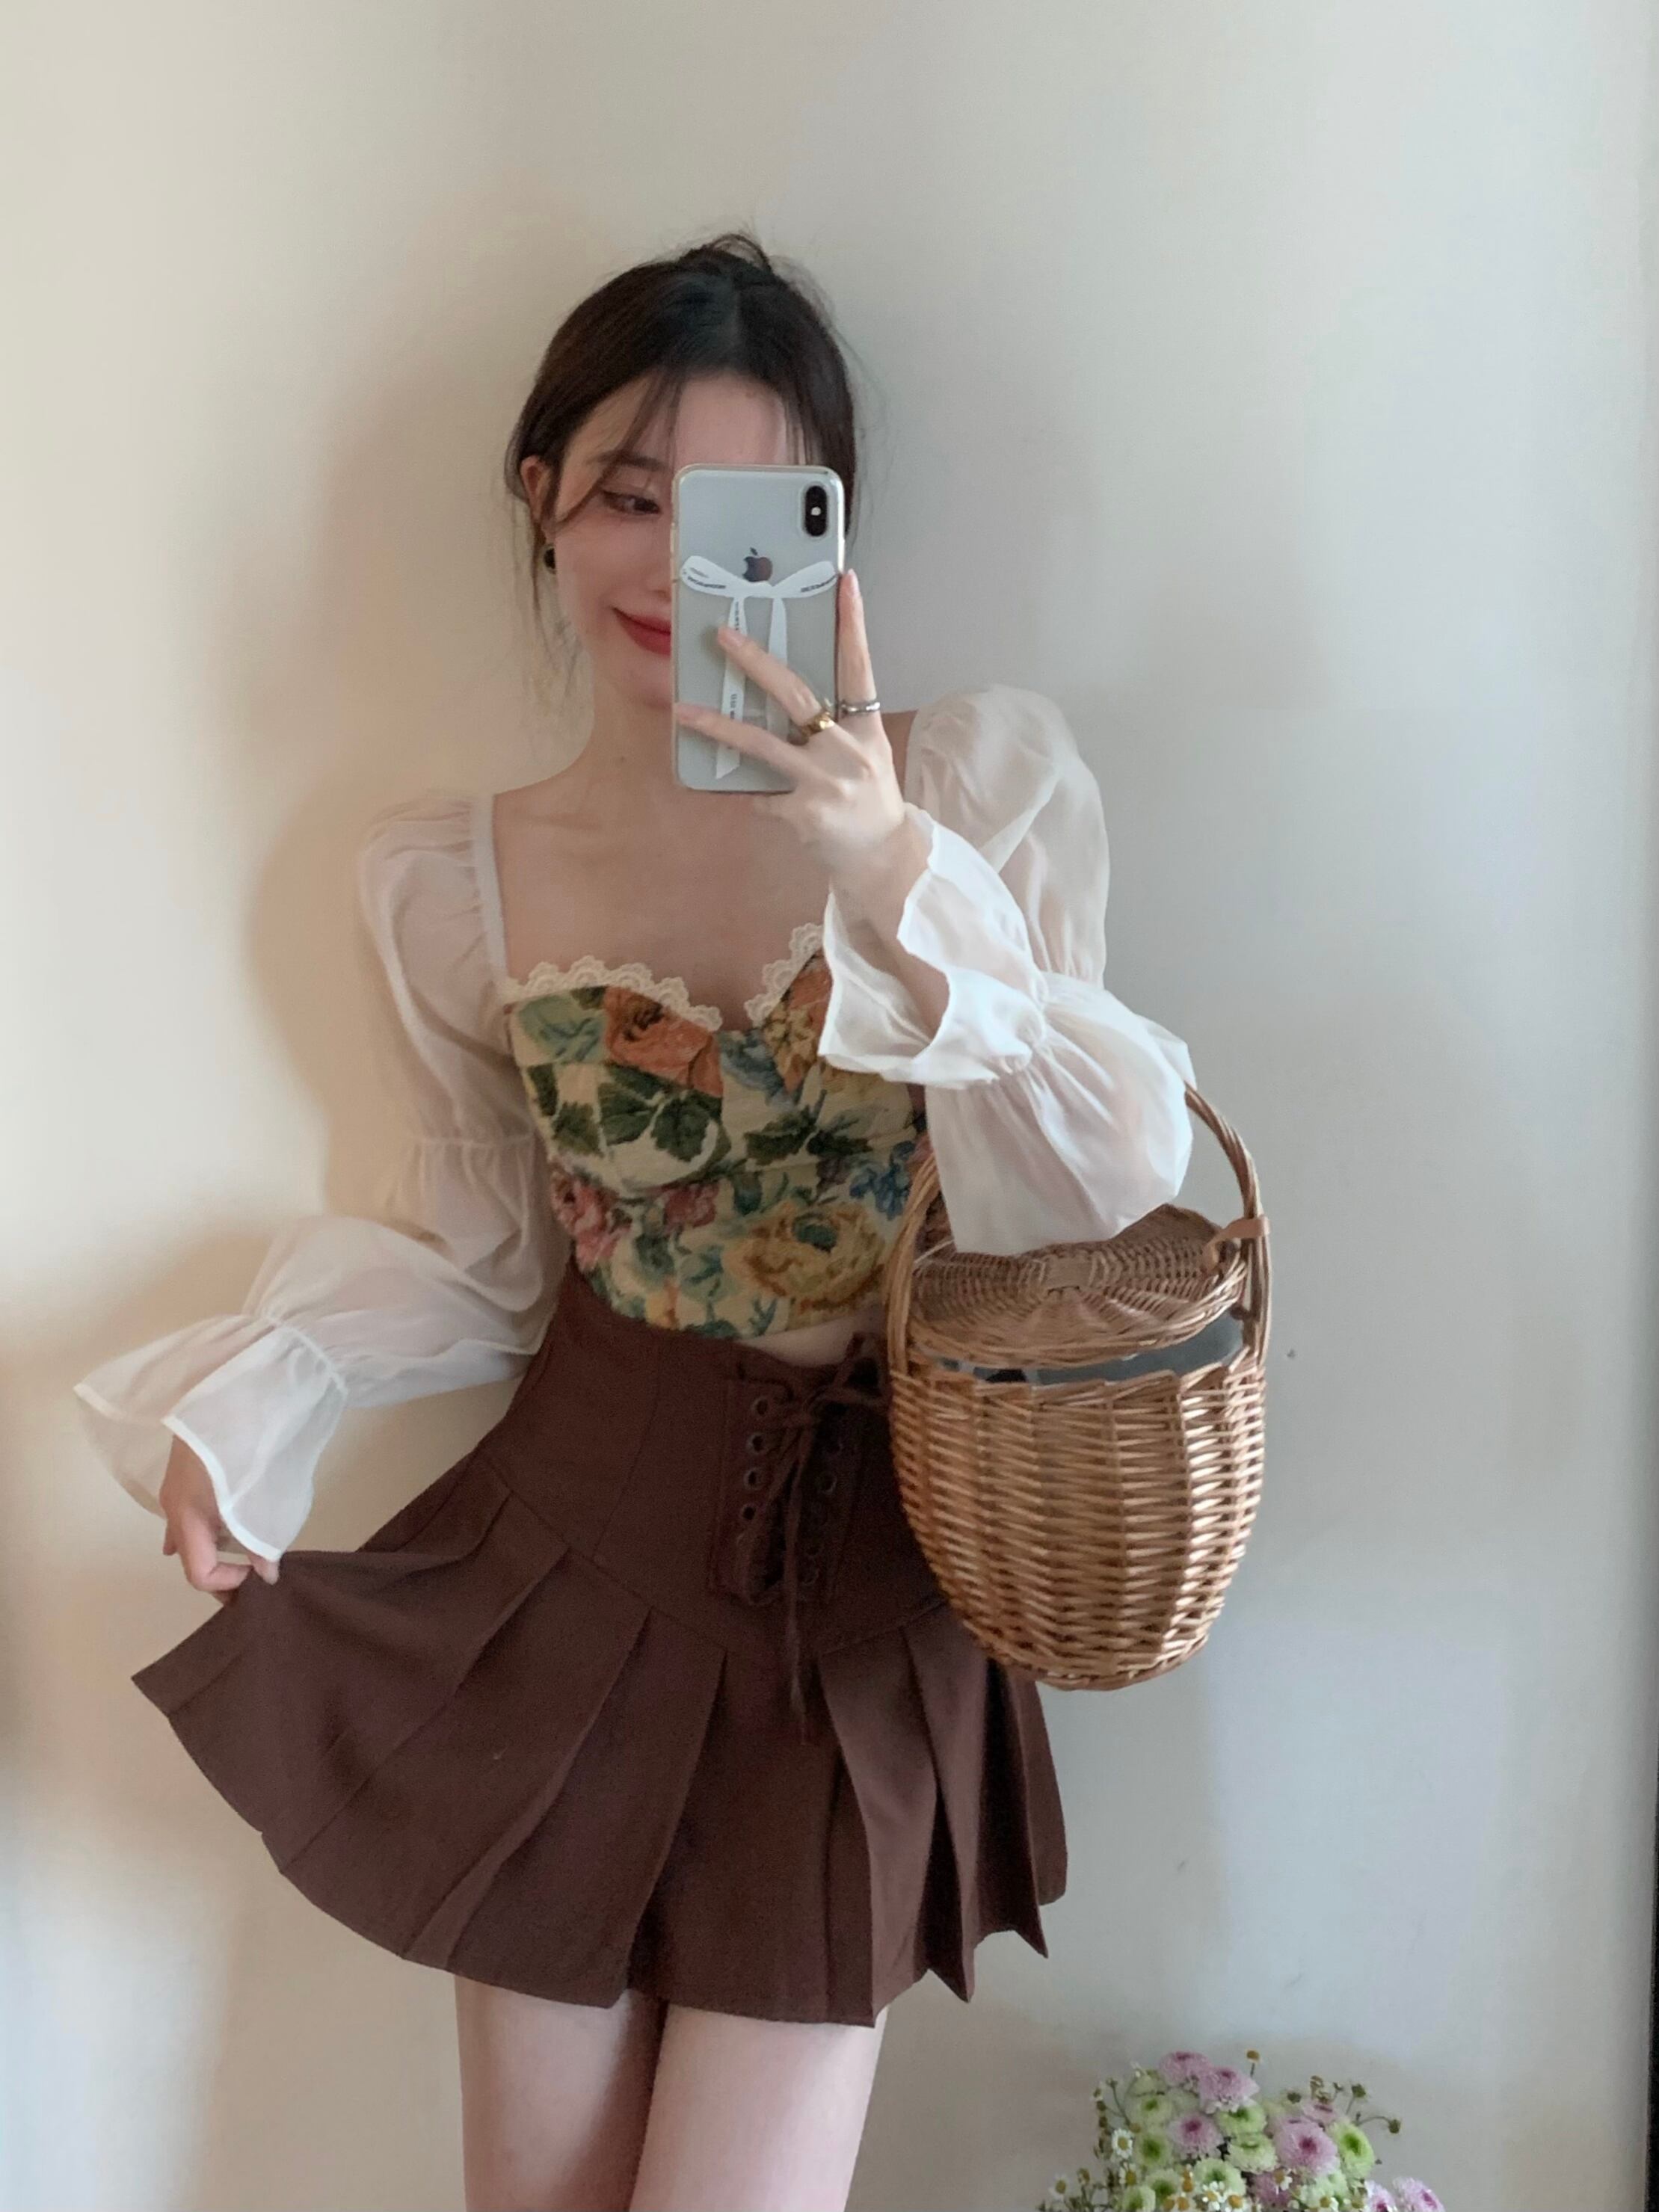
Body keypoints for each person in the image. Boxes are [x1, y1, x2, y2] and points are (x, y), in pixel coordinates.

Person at [72, 232, 1198, 2212]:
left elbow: (1106, 1177)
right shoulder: (461, 879)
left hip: (865, 1597)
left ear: (826, 540)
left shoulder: (973, 791)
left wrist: (889, 866)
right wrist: (258, 1401)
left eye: (745, 515)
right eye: (626, 496)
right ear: (541, 498)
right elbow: (488, 1258)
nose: (675, 565)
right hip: (570, 1564)